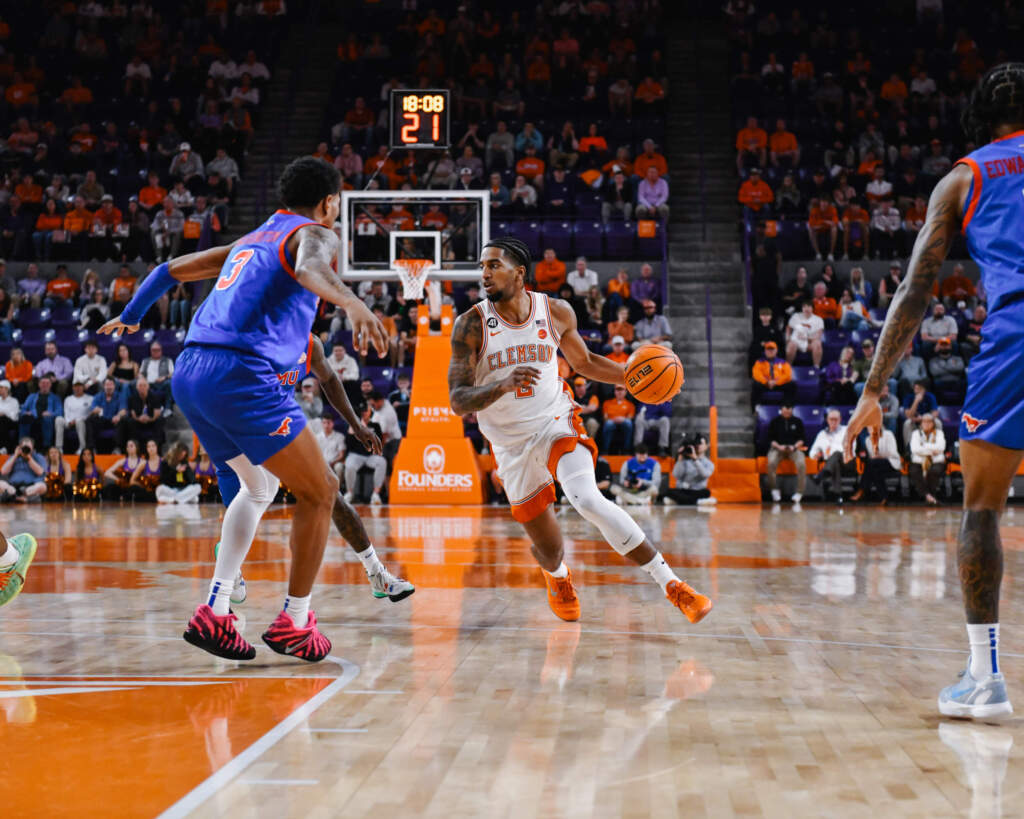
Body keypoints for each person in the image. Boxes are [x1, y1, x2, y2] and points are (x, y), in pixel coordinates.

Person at [102, 157, 389, 662]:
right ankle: (295, 622)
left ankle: (215, 610)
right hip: (241, 374)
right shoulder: (316, 234)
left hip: (191, 371)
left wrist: (131, 315)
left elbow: (167, 270)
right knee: (321, 491)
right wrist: (354, 303)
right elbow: (311, 268)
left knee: (259, 487)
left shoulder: (251, 241)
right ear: (329, 203)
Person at [842, 63, 1024, 720]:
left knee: (982, 509)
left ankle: (985, 677)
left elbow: (916, 289)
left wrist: (873, 388)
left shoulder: (965, 178)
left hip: (1016, 334)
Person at [448, 237, 712, 624]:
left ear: (519, 273)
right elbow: (458, 400)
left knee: (587, 499)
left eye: (494, 265)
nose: (484, 274)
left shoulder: (555, 311)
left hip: (554, 420)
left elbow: (584, 362)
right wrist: (501, 386)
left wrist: (635, 379)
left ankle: (673, 585)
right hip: (509, 444)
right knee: (550, 549)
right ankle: (558, 577)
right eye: (482, 267)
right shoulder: (471, 324)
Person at [765, 403, 806, 503]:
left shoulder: (798, 421)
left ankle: (799, 492)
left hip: (794, 449)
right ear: (781, 410)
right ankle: (774, 489)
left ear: (792, 410)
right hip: (778, 449)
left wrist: (794, 447)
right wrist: (779, 447)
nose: (787, 411)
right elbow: (770, 439)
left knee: (801, 463)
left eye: (789, 409)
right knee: (771, 462)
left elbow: (802, 439)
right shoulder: (775, 421)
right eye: (785, 409)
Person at [809, 409, 851, 501]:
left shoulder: (847, 430)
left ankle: (821, 475)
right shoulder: (822, 434)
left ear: (840, 419)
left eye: (836, 419)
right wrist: (816, 454)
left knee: (836, 454)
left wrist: (831, 452)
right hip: (832, 464)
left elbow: (850, 449)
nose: (833, 421)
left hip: (847, 462)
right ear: (827, 420)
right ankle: (838, 496)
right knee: (835, 463)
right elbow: (812, 451)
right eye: (831, 419)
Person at [850, 427, 901, 504]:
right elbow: (872, 455)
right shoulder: (868, 440)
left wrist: (880, 456)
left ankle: (862, 490)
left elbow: (892, 452)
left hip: (892, 462)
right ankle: (884, 497)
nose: (871, 429)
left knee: (872, 464)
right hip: (877, 464)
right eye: (869, 428)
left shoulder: (888, 434)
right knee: (874, 470)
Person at [663, 435, 716, 506]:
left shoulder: (709, 464)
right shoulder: (685, 460)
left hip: (698, 491)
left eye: (701, 443)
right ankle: (697, 501)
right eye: (697, 444)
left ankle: (679, 501)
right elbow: (676, 475)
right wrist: (680, 458)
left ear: (706, 446)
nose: (698, 446)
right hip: (684, 490)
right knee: (668, 491)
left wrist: (695, 459)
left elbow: (704, 474)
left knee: (707, 492)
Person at [908, 413, 946, 505]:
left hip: (936, 460)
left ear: (933, 423)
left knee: (934, 471)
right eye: (924, 421)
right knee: (914, 471)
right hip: (918, 461)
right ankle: (928, 495)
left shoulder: (939, 433)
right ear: (921, 424)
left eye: (929, 421)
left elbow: (941, 447)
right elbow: (914, 449)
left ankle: (930, 496)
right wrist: (932, 450)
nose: (926, 424)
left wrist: (923, 446)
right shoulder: (916, 433)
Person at [19, 374, 61, 448]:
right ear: (39, 384)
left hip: (47, 419)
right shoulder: (32, 396)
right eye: (43, 383)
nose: (45, 385)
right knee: (25, 418)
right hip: (33, 417)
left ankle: (46, 446)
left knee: (47, 419)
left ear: (50, 385)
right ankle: (23, 445)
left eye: (47, 383)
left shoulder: (55, 398)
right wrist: (26, 412)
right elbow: (23, 408)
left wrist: (51, 413)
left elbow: (60, 411)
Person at [0, 438, 46, 502]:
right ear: (20, 448)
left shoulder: (38, 457)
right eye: (24, 447)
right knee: (1, 483)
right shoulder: (13, 456)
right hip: (13, 487)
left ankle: (15, 497)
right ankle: (19, 496)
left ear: (33, 448)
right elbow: (3, 472)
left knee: (42, 486)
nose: (26, 449)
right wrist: (15, 456)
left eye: (28, 447)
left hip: (30, 487)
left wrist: (29, 458)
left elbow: (40, 472)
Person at [751, 341, 795, 406]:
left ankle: (786, 406)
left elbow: (788, 375)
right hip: (765, 384)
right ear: (765, 351)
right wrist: (767, 382)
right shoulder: (759, 362)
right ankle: (757, 407)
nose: (770, 351)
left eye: (772, 349)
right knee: (756, 385)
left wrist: (776, 382)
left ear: (776, 351)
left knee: (792, 385)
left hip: (778, 384)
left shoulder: (783, 362)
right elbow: (756, 374)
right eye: (768, 349)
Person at [56, 381, 92, 454]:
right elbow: (66, 412)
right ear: (73, 388)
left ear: (83, 387)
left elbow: (90, 414)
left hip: (82, 421)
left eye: (80, 386)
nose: (78, 388)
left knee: (79, 421)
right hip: (69, 422)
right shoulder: (68, 399)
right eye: (76, 386)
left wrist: (78, 420)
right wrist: (69, 421)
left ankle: (82, 447)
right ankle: (59, 448)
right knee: (58, 419)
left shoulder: (90, 398)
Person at [785, 300, 824, 367]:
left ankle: (816, 367)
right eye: (804, 307)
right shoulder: (796, 316)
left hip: (810, 342)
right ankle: (787, 367)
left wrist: (807, 338)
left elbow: (819, 335)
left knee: (818, 344)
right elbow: (788, 328)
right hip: (796, 341)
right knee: (791, 344)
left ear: (812, 308)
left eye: (809, 307)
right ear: (802, 308)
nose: (806, 309)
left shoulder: (819, 319)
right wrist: (787, 338)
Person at [0, 380, 18, 453]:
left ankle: (4, 447)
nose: (0, 389)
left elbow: (14, 416)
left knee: (2, 419)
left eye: (1, 387)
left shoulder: (14, 401)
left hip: (11, 422)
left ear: (7, 389)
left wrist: (4, 413)